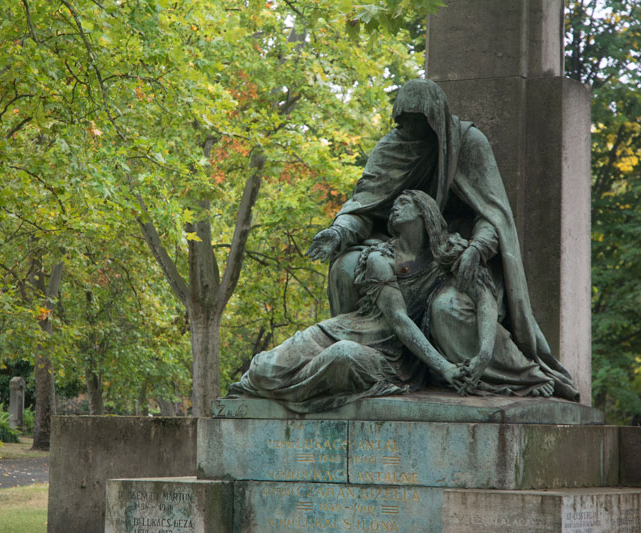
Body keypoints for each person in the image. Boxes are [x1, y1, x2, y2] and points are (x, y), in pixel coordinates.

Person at [306, 79, 579, 401]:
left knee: (448, 308)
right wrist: (339, 232)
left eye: (417, 119)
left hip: (458, 251)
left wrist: (477, 249)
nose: (408, 127)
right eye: (402, 119)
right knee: (345, 267)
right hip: (400, 246)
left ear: (434, 118)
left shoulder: (468, 142)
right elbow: (364, 204)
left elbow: (491, 213)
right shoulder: (392, 148)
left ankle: (511, 373)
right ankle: (374, 359)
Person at [230, 191, 571, 413]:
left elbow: (484, 299)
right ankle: (265, 396)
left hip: (389, 357)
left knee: (343, 357)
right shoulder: (380, 258)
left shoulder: (449, 252)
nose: (395, 207)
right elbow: (399, 319)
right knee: (263, 369)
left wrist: (483, 353)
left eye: (404, 203)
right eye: (393, 205)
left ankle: (294, 399)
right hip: (349, 329)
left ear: (425, 214)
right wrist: (445, 368)